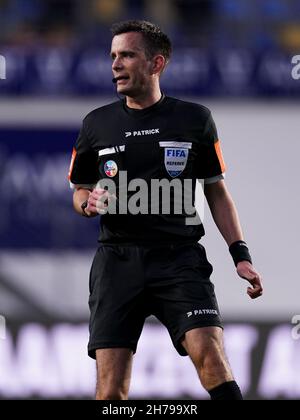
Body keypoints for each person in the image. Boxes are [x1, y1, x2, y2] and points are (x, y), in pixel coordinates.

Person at [68, 20, 263, 401]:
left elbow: (216, 192)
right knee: (110, 390)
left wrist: (240, 255)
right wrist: (87, 203)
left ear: (156, 63)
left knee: (211, 357)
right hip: (117, 262)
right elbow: (79, 190)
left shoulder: (195, 120)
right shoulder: (96, 124)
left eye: (127, 55)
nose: (115, 64)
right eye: (112, 56)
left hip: (180, 260)